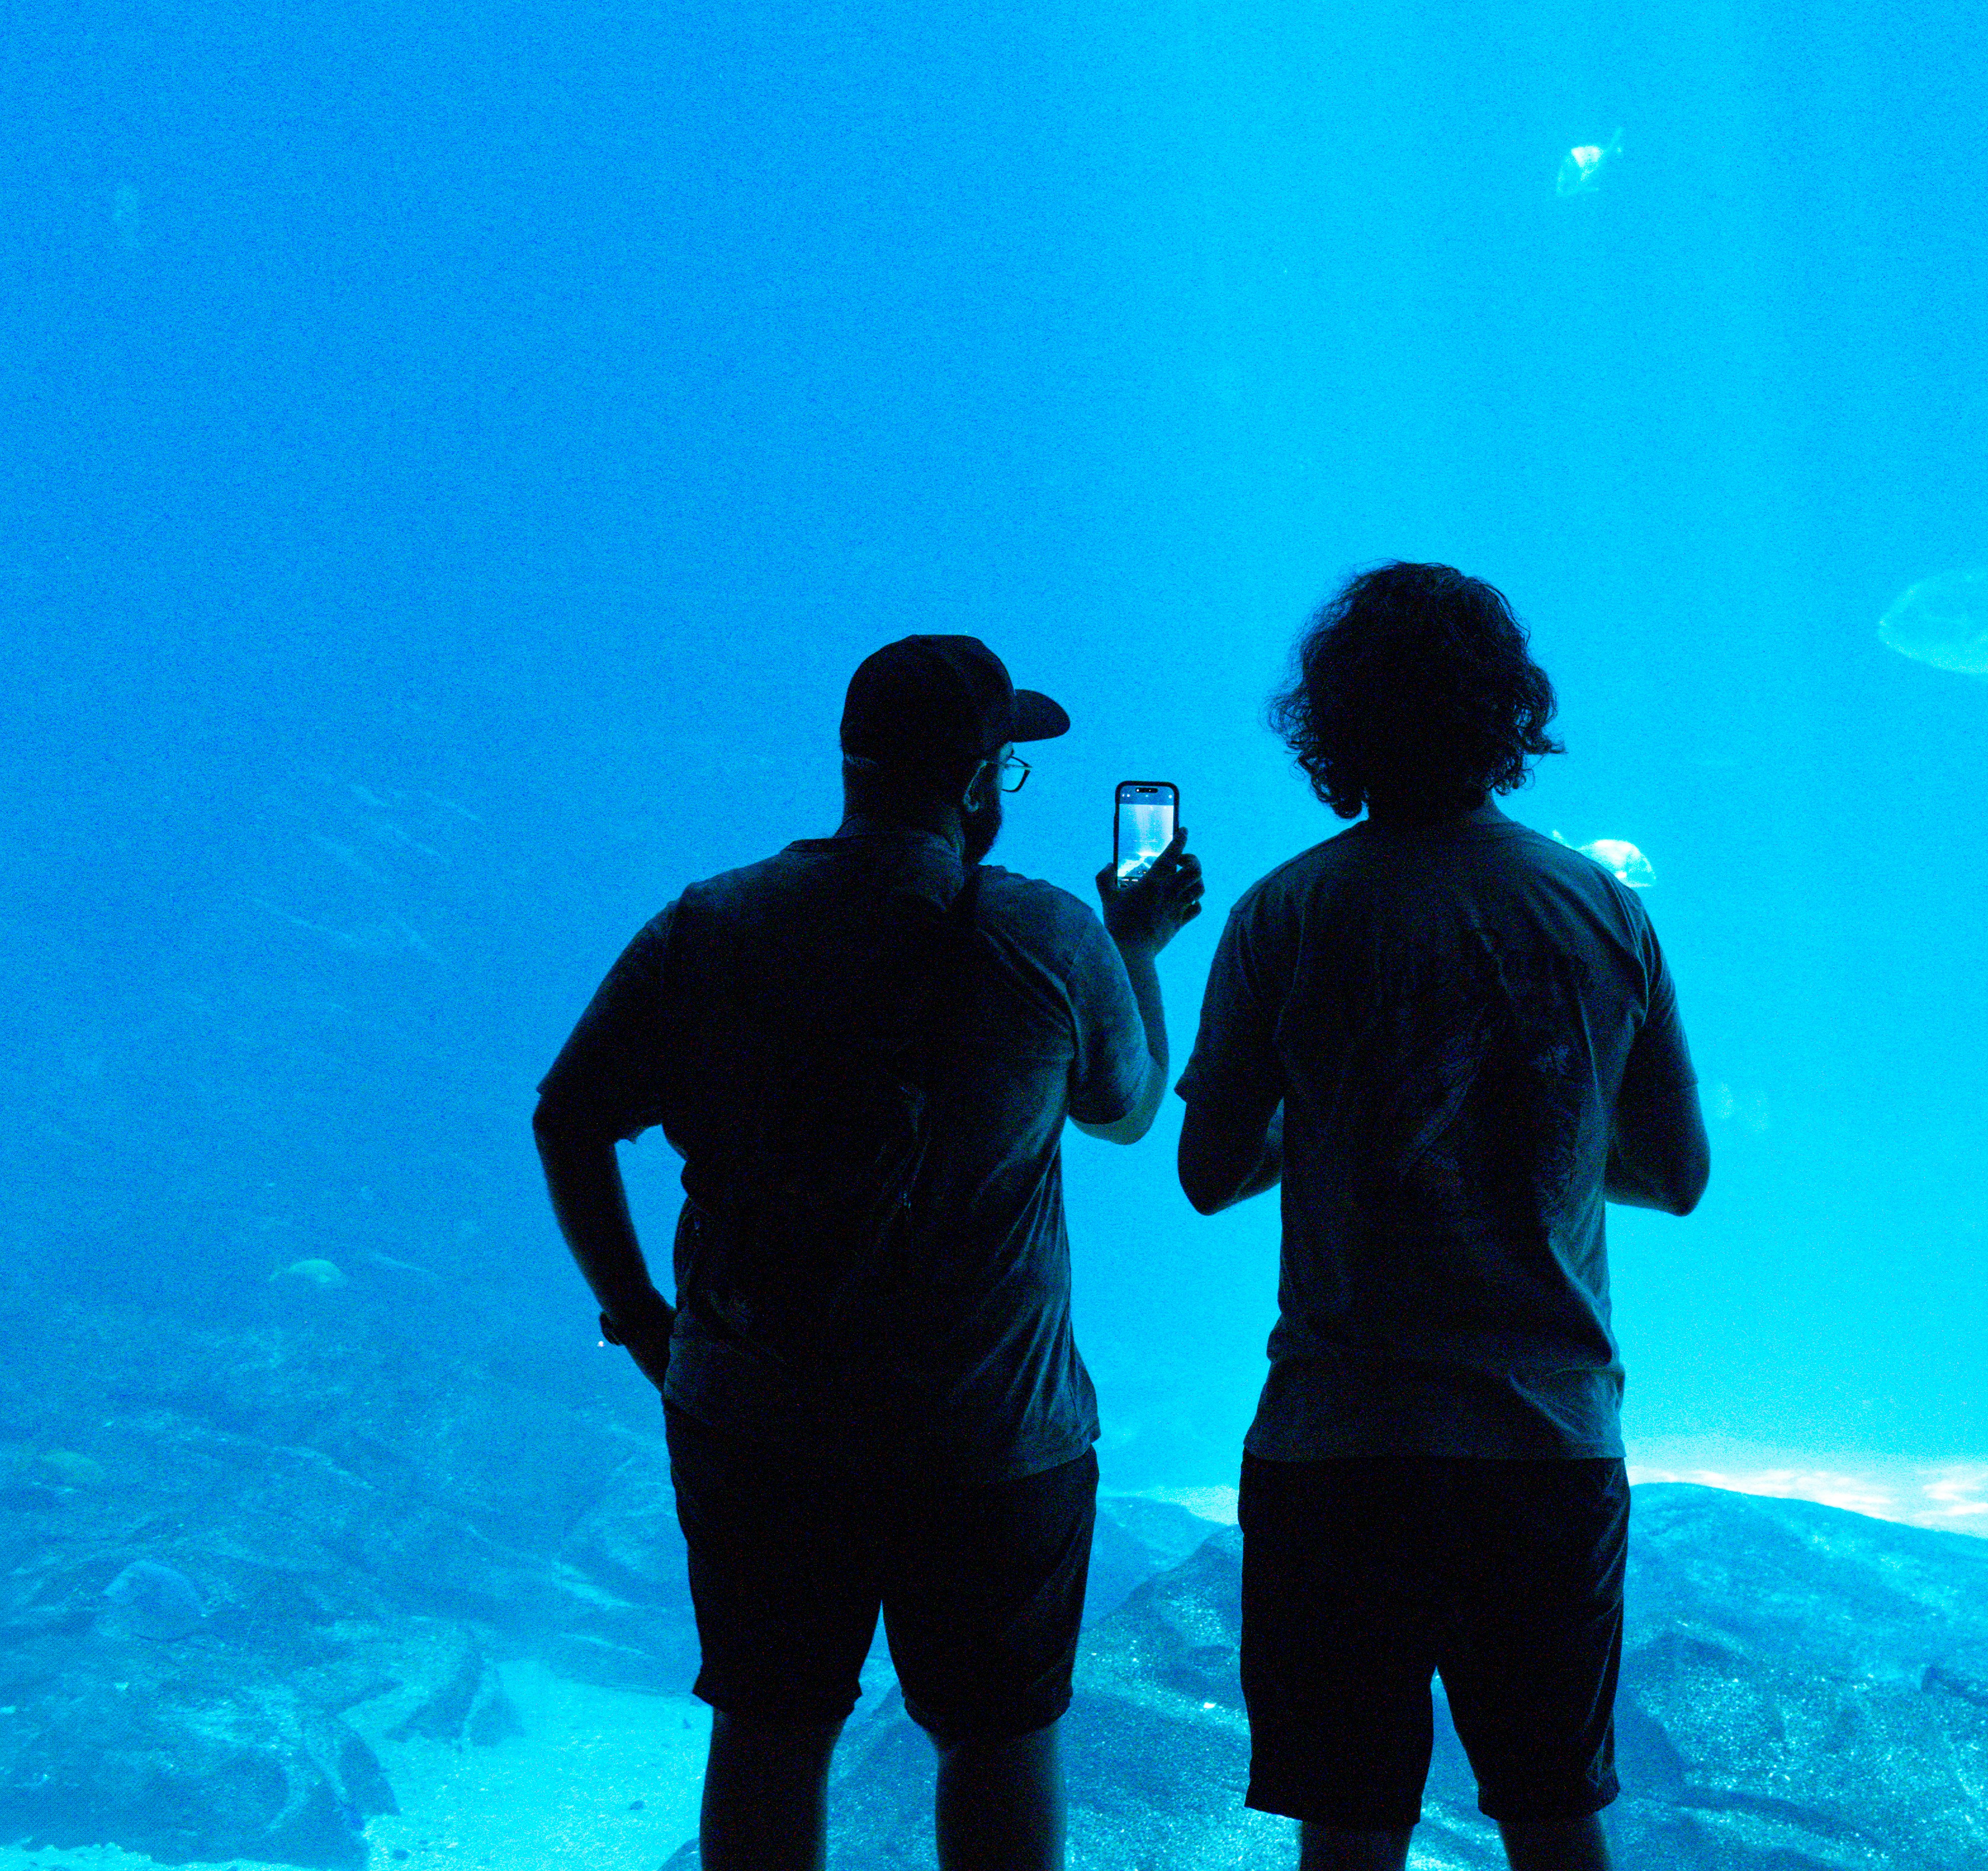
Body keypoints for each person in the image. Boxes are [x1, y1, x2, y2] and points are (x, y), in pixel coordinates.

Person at [534, 634, 1205, 1871]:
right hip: (994, 1435)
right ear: (978, 783)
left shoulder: (714, 924)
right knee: (997, 1739)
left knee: (770, 1731)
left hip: (756, 1419)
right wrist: (1140, 952)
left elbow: (566, 1116)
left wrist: (640, 1319)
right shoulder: (1053, 939)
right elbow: (1127, 1110)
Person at [1175, 563, 1707, 1871]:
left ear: (1334, 722)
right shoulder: (1602, 915)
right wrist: (1537, 1158)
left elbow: (1205, 1168)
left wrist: (1348, 1127)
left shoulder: (1284, 914)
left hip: (1338, 1446)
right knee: (1554, 1817)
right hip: (1543, 1444)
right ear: (1507, 713)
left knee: (1350, 1828)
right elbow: (1680, 1172)